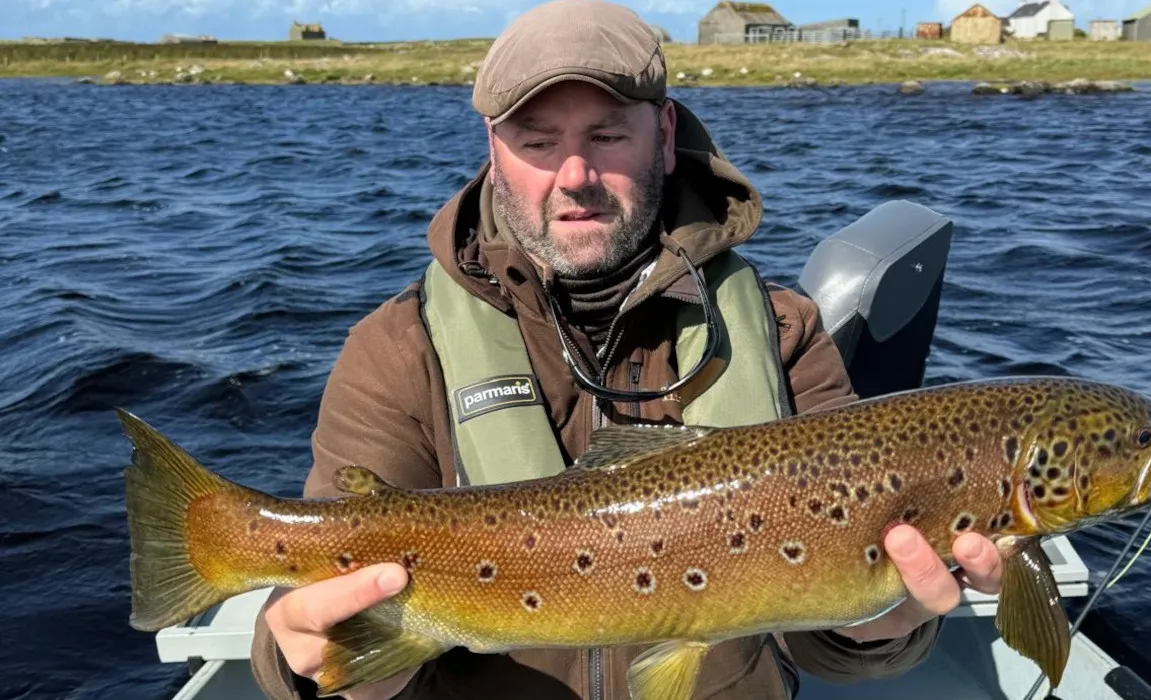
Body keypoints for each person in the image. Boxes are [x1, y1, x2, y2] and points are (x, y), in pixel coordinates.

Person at [249, 1, 1005, 698]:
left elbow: (824, 647)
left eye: (607, 136)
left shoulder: (783, 332)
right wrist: (300, 658)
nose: (574, 176)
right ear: (492, 148)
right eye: (538, 142)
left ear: (666, 135)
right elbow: (315, 610)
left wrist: (876, 627)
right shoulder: (397, 350)